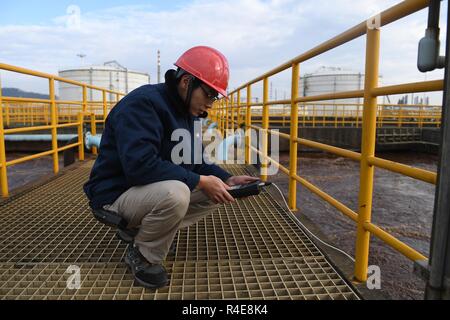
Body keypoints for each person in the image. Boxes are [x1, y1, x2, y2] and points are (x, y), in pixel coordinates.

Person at [83, 46, 259, 289]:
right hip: (115, 193)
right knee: (177, 192)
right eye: (209, 94)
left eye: (214, 98)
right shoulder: (143, 105)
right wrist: (199, 181)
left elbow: (196, 160)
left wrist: (227, 179)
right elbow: (140, 166)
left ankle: (143, 231)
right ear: (187, 81)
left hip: (144, 189)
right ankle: (143, 255)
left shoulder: (188, 112)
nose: (210, 104)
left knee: (217, 191)